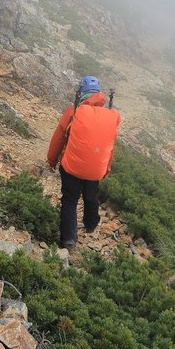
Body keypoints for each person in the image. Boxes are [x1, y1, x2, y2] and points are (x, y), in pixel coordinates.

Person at [46, 76, 121, 250]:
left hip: (71, 166)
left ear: (81, 92)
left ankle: (68, 240)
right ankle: (91, 223)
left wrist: (52, 159)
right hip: (95, 169)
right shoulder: (109, 117)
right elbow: (108, 146)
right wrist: (106, 168)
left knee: (70, 200)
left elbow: (58, 138)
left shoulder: (74, 111)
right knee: (91, 196)